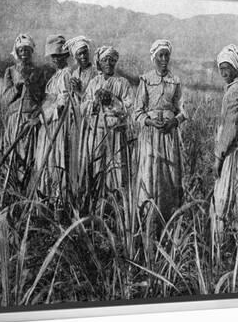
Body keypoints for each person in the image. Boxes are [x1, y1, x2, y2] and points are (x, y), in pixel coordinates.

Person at [134, 39, 187, 222]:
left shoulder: (175, 81)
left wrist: (174, 122)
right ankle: (148, 217)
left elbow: (182, 111)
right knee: (150, 173)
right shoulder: (146, 79)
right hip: (151, 135)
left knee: (169, 176)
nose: (164, 59)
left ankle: (168, 218)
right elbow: (137, 111)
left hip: (169, 136)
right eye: (160, 56)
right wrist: (149, 122)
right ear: (154, 57)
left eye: (167, 55)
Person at [210, 44, 238, 238]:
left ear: (235, 68)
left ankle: (225, 242)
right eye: (221, 67)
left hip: (232, 152)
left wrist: (218, 157)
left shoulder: (236, 91)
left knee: (226, 196)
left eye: (227, 67)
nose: (223, 71)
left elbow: (231, 126)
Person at [82, 46, 134, 191]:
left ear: (115, 62)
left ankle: (115, 200)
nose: (109, 63)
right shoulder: (94, 83)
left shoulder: (122, 83)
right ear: (100, 62)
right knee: (98, 166)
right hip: (98, 132)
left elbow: (129, 107)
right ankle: (97, 198)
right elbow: (84, 106)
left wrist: (112, 100)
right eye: (105, 60)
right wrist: (95, 103)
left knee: (116, 167)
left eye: (112, 60)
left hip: (116, 132)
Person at [1, 33, 45, 185]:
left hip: (31, 119)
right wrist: (17, 87)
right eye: (21, 50)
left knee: (31, 157)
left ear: (32, 52)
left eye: (27, 50)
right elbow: (5, 98)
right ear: (17, 52)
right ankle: (13, 188)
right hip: (15, 119)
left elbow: (42, 97)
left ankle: (28, 189)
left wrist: (31, 86)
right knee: (14, 155)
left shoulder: (39, 72)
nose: (24, 53)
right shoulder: (10, 71)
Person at [34, 35, 74, 199]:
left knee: (56, 159)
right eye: (53, 56)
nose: (55, 59)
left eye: (59, 56)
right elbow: (49, 99)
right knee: (46, 159)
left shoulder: (66, 75)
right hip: (48, 123)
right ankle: (47, 197)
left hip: (58, 123)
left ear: (66, 56)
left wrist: (49, 113)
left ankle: (58, 199)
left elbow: (63, 101)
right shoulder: (54, 77)